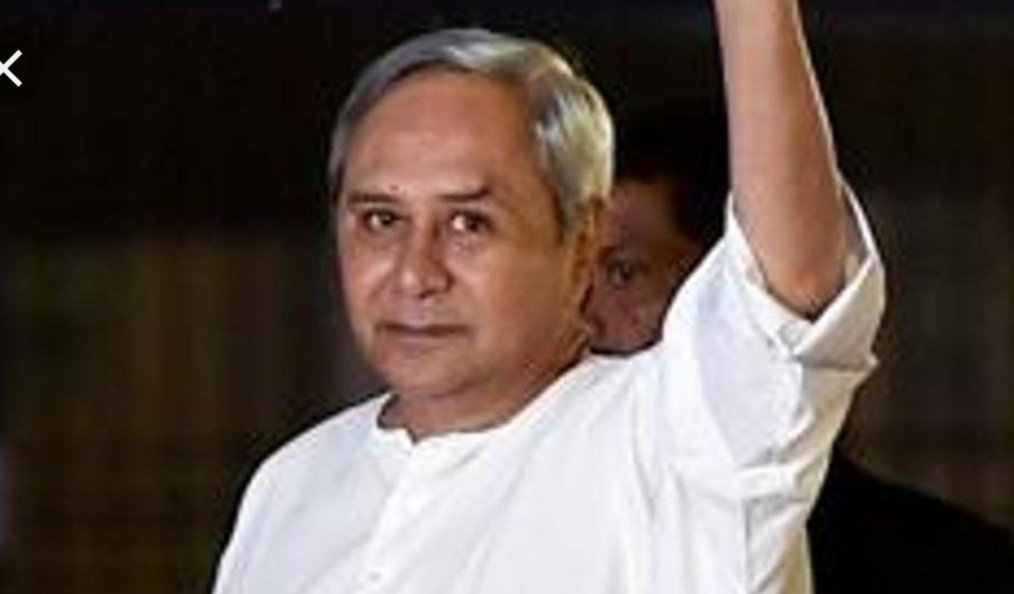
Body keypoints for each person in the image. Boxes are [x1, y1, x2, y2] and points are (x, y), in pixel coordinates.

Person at [211, 1, 886, 592]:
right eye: (381, 220)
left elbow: (788, 292)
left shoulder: (671, 439)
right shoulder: (290, 487)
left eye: (469, 223)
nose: (415, 274)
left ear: (584, 240)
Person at [586, 99, 1014, 593]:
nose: (586, 316)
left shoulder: (948, 567)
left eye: (624, 273)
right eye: (578, 275)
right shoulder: (566, 528)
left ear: (737, 295)